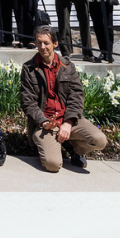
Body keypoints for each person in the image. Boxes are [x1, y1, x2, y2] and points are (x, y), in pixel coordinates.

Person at [19, 26, 109, 172]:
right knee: (52, 165)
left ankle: (74, 148)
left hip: (69, 120)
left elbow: (76, 96)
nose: (42, 47)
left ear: (55, 43)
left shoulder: (67, 66)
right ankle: (56, 145)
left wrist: (68, 122)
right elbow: (27, 102)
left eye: (46, 43)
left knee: (99, 140)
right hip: (46, 124)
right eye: (39, 43)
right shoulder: (29, 68)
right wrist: (43, 122)